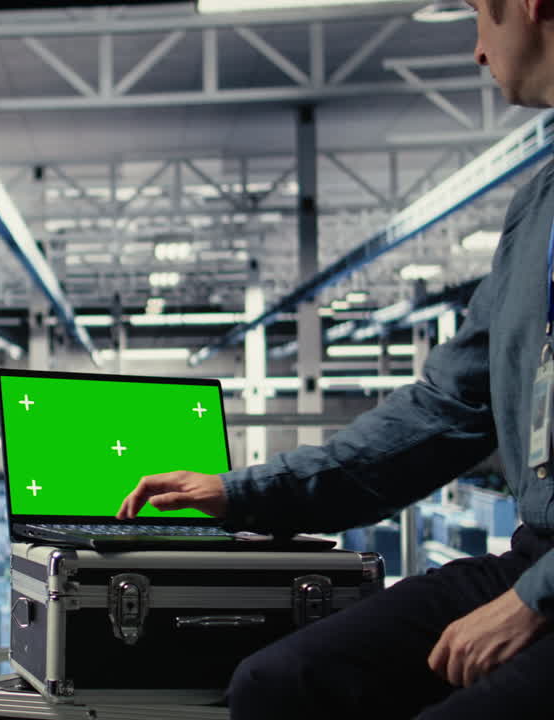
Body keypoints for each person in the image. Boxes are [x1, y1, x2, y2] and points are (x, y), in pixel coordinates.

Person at [116, 1, 554, 717]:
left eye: (479, 12)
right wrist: (242, 493)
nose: (477, 49)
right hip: (536, 555)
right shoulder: (538, 207)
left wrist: (536, 601)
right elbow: (445, 412)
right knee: (279, 686)